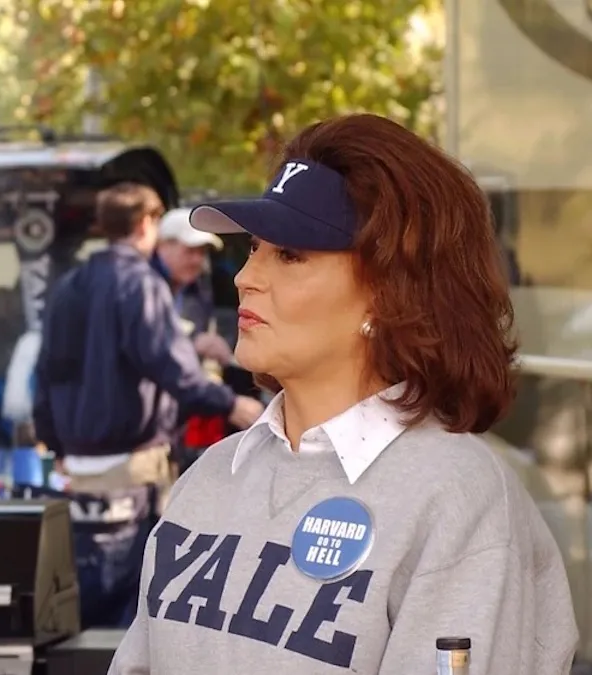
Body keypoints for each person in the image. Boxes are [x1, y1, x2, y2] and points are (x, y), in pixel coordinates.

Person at [110, 113, 578, 674]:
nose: (245, 275)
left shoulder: (456, 498)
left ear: (389, 293)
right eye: (256, 247)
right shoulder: (209, 481)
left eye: (290, 255)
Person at [33, 182, 264, 628]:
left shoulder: (68, 286)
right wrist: (230, 403)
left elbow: (46, 375)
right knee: (130, 603)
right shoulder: (140, 283)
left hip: (78, 471)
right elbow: (170, 366)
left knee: (84, 602)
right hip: (134, 472)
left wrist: (56, 444)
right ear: (146, 224)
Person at [152, 208, 232, 364]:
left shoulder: (199, 288)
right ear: (163, 245)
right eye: (190, 251)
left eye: (202, 252)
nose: (197, 260)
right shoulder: (140, 287)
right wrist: (191, 344)